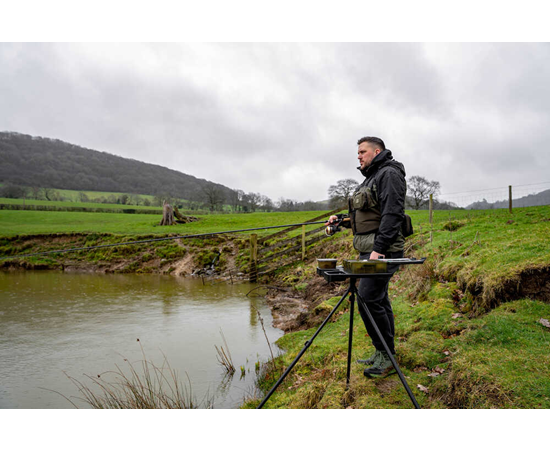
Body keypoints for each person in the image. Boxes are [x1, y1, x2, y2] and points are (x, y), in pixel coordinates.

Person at [326, 136, 407, 378]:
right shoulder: (372, 177)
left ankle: (387, 356)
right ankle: (384, 351)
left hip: (383, 250)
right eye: (358, 153)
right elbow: (368, 215)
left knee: (368, 299)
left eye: (362, 152)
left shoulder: (389, 175)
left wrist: (378, 250)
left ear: (377, 151)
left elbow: (393, 215)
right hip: (370, 249)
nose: (358, 156)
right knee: (377, 299)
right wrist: (340, 221)